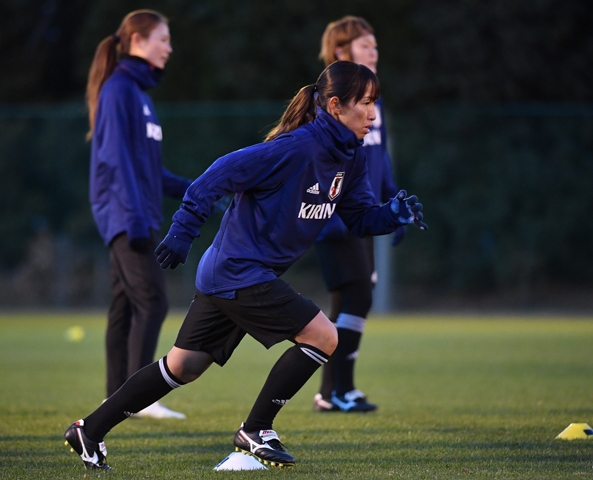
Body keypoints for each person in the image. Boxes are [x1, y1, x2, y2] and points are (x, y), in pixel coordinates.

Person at [64, 60, 426, 470]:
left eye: (376, 102)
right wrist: (183, 231)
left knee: (183, 366)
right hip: (238, 270)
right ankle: (256, 429)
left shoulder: (350, 158)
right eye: (366, 103)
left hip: (237, 274)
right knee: (324, 336)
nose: (373, 114)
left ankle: (88, 429)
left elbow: (359, 218)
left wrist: (390, 214)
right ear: (336, 106)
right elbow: (216, 174)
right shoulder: (296, 147)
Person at [86, 9, 190, 419]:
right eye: (162, 39)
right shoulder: (119, 90)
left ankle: (117, 397)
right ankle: (138, 400)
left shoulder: (140, 95)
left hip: (135, 213)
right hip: (127, 217)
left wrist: (197, 189)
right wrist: (134, 219)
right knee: (153, 301)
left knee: (126, 305)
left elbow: (149, 170)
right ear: (136, 41)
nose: (168, 47)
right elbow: (115, 160)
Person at [313, 16, 403, 413]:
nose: (374, 53)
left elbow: (378, 160)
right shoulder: (332, 101)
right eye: (365, 47)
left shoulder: (373, 99)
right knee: (358, 295)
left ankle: (334, 391)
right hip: (340, 217)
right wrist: (327, 213)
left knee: (351, 300)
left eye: (375, 47)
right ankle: (337, 390)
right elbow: (319, 161)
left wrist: (391, 206)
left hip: (364, 216)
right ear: (340, 52)